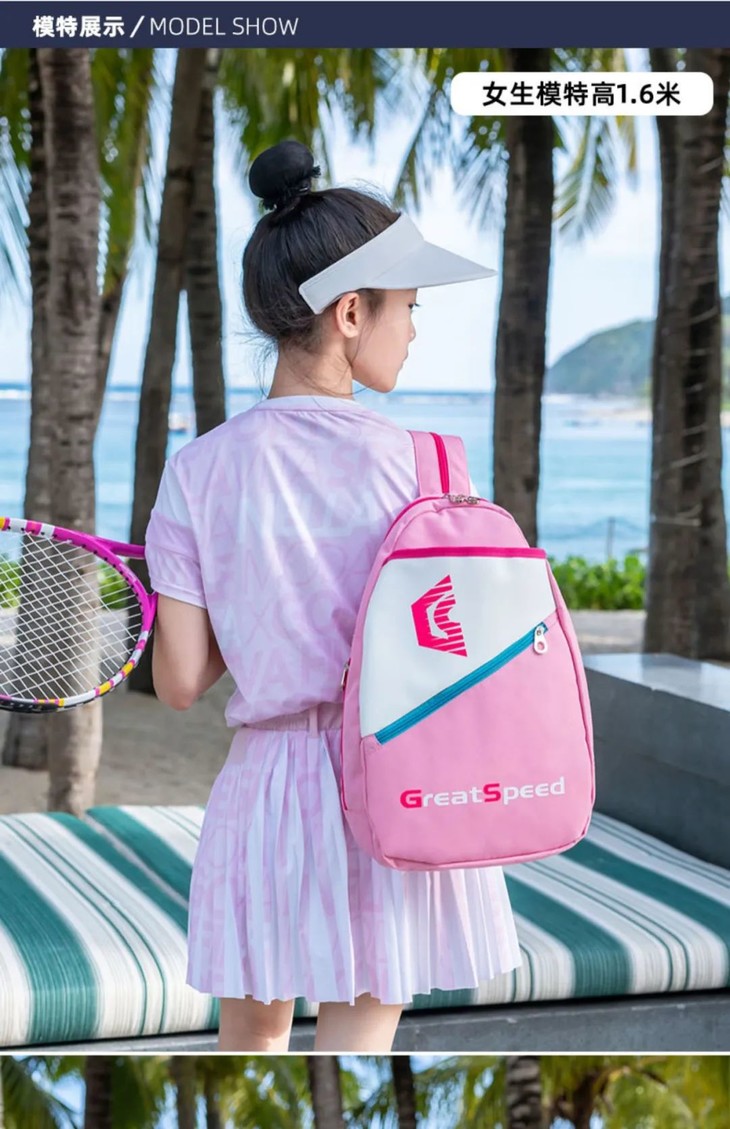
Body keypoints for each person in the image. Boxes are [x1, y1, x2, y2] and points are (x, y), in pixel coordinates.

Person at [145, 138, 522, 1053]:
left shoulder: (197, 472)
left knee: (250, 1048)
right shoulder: (431, 468)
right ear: (352, 311)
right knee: (356, 1052)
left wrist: (250, 604)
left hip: (265, 795)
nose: (414, 329)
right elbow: (466, 654)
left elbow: (181, 682)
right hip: (394, 779)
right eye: (409, 307)